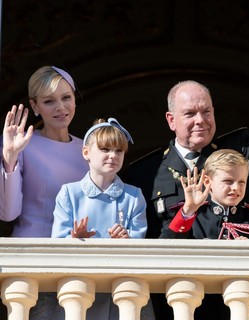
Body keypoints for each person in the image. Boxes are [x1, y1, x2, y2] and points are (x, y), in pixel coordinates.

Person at [124, 37, 249, 319]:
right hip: (177, 303)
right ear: (171, 120)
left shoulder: (240, 150)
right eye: (190, 113)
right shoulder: (144, 174)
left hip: (241, 301)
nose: (201, 119)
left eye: (206, 111)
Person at [0, 65, 89, 319]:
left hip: (80, 261)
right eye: (49, 101)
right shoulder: (21, 144)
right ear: (35, 106)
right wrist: (9, 158)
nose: (60, 107)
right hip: (33, 259)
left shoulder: (89, 148)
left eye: (66, 97)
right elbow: (8, 214)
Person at [51, 118, 154, 320]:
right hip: (79, 287)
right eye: (105, 149)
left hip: (121, 289)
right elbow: (56, 243)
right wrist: (75, 238)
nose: (113, 156)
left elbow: (140, 247)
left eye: (119, 151)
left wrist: (127, 240)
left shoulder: (134, 196)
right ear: (86, 153)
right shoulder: (69, 193)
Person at [160, 149, 249, 241]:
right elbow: (164, 250)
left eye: (241, 182)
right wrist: (188, 210)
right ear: (208, 182)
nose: (236, 188)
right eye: (228, 181)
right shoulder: (194, 217)